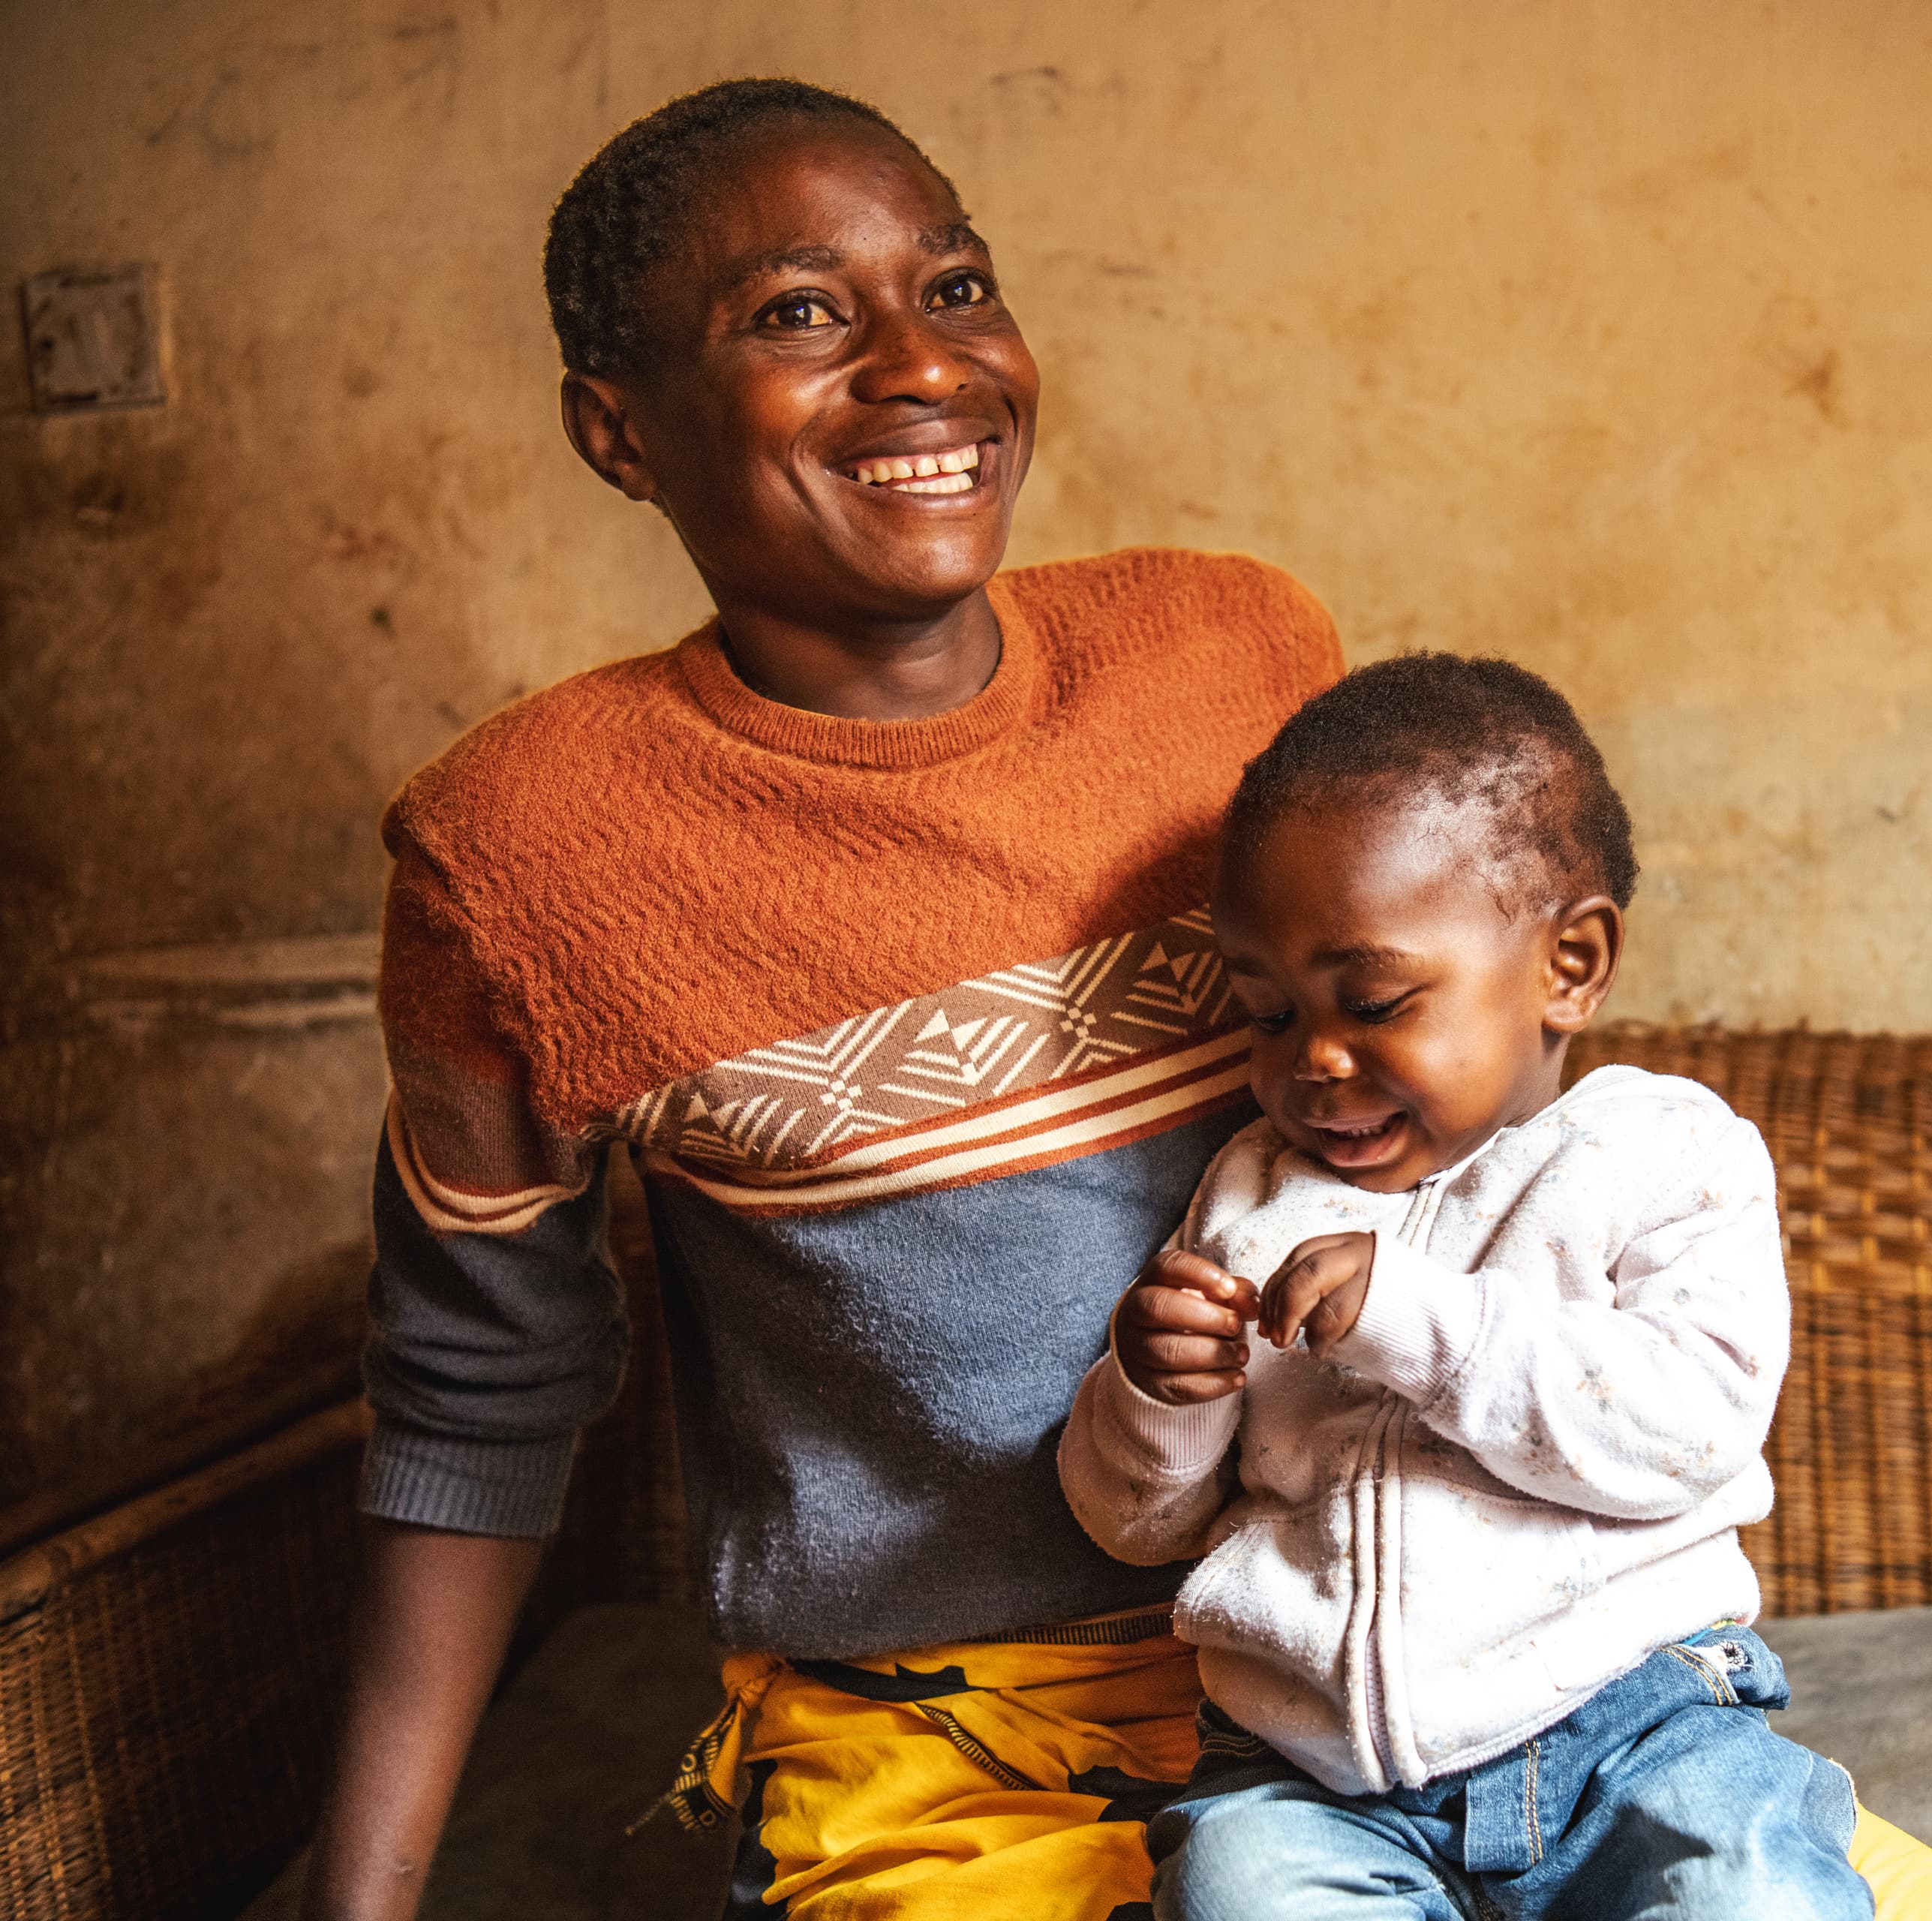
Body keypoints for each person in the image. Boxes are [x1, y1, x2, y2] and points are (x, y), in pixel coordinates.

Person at [300, 79, 1339, 1921]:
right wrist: (360, 1896)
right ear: (618, 433)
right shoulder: (514, 853)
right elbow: (479, 1383)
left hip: (1355, 1647)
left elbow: (1466, 1086)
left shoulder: (1237, 655)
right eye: (798, 313)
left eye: (955, 286)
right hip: (924, 1733)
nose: (922, 367)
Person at [1059, 656, 1932, 1921]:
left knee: (1753, 1890)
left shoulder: (1664, 1154)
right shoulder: (1250, 1191)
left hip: (1637, 1731)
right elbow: (1138, 1526)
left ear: (1569, 965)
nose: (1317, 1058)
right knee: (1237, 1891)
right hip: (1308, 1777)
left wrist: (1416, 1322)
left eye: (1375, 1001)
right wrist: (1154, 1387)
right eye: (1268, 1013)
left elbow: (1687, 1428)